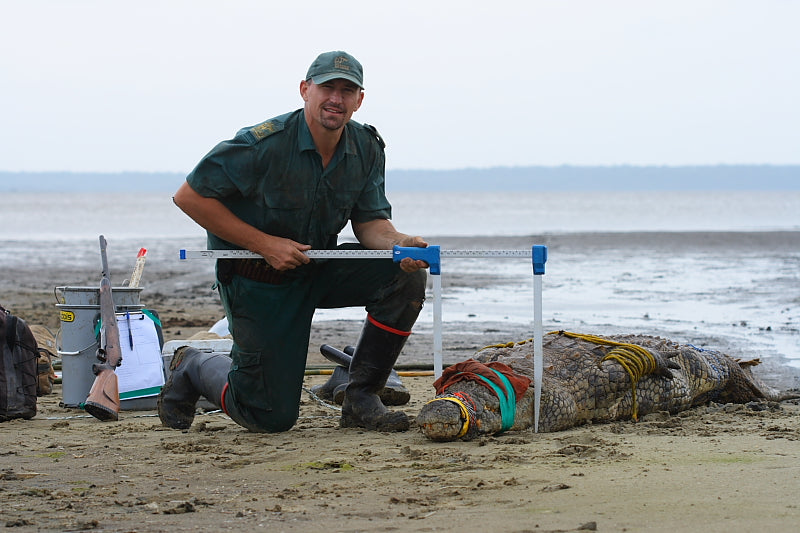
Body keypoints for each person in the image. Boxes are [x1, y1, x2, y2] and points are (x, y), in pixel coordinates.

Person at [158, 51, 428, 433]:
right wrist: (264, 244)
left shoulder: (367, 146)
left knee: (404, 276)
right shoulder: (262, 144)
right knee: (269, 417)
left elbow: (370, 223)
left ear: (359, 99)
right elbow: (189, 197)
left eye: (347, 90)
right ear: (305, 90)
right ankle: (192, 364)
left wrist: (399, 243)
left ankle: (362, 396)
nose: (336, 98)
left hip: (317, 268)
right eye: (327, 87)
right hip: (258, 282)